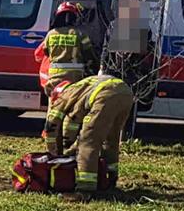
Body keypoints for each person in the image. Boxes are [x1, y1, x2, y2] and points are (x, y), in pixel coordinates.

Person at [43, 71, 135, 200]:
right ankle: (110, 178)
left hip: (105, 96)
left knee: (88, 142)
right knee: (110, 139)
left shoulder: (63, 97)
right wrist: (70, 146)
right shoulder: (81, 88)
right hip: (125, 93)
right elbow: (73, 124)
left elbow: (51, 128)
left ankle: (85, 190)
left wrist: (55, 155)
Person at [35, 2, 97, 97]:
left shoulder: (51, 34)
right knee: (72, 102)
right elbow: (89, 55)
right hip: (74, 76)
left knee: (54, 102)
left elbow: (46, 53)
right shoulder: (80, 34)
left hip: (54, 76)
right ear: (74, 17)